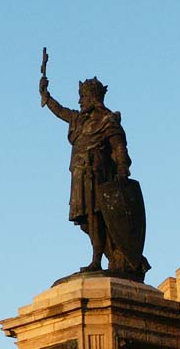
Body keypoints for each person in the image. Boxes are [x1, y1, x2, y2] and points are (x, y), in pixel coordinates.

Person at [39, 73, 148, 275]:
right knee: (88, 222)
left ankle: (101, 259)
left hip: (98, 175)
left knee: (98, 217)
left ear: (92, 97)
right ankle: (105, 257)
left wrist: (122, 167)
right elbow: (60, 111)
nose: (80, 101)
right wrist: (46, 94)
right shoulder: (78, 119)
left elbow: (119, 147)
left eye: (83, 97)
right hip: (80, 175)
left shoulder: (107, 120)